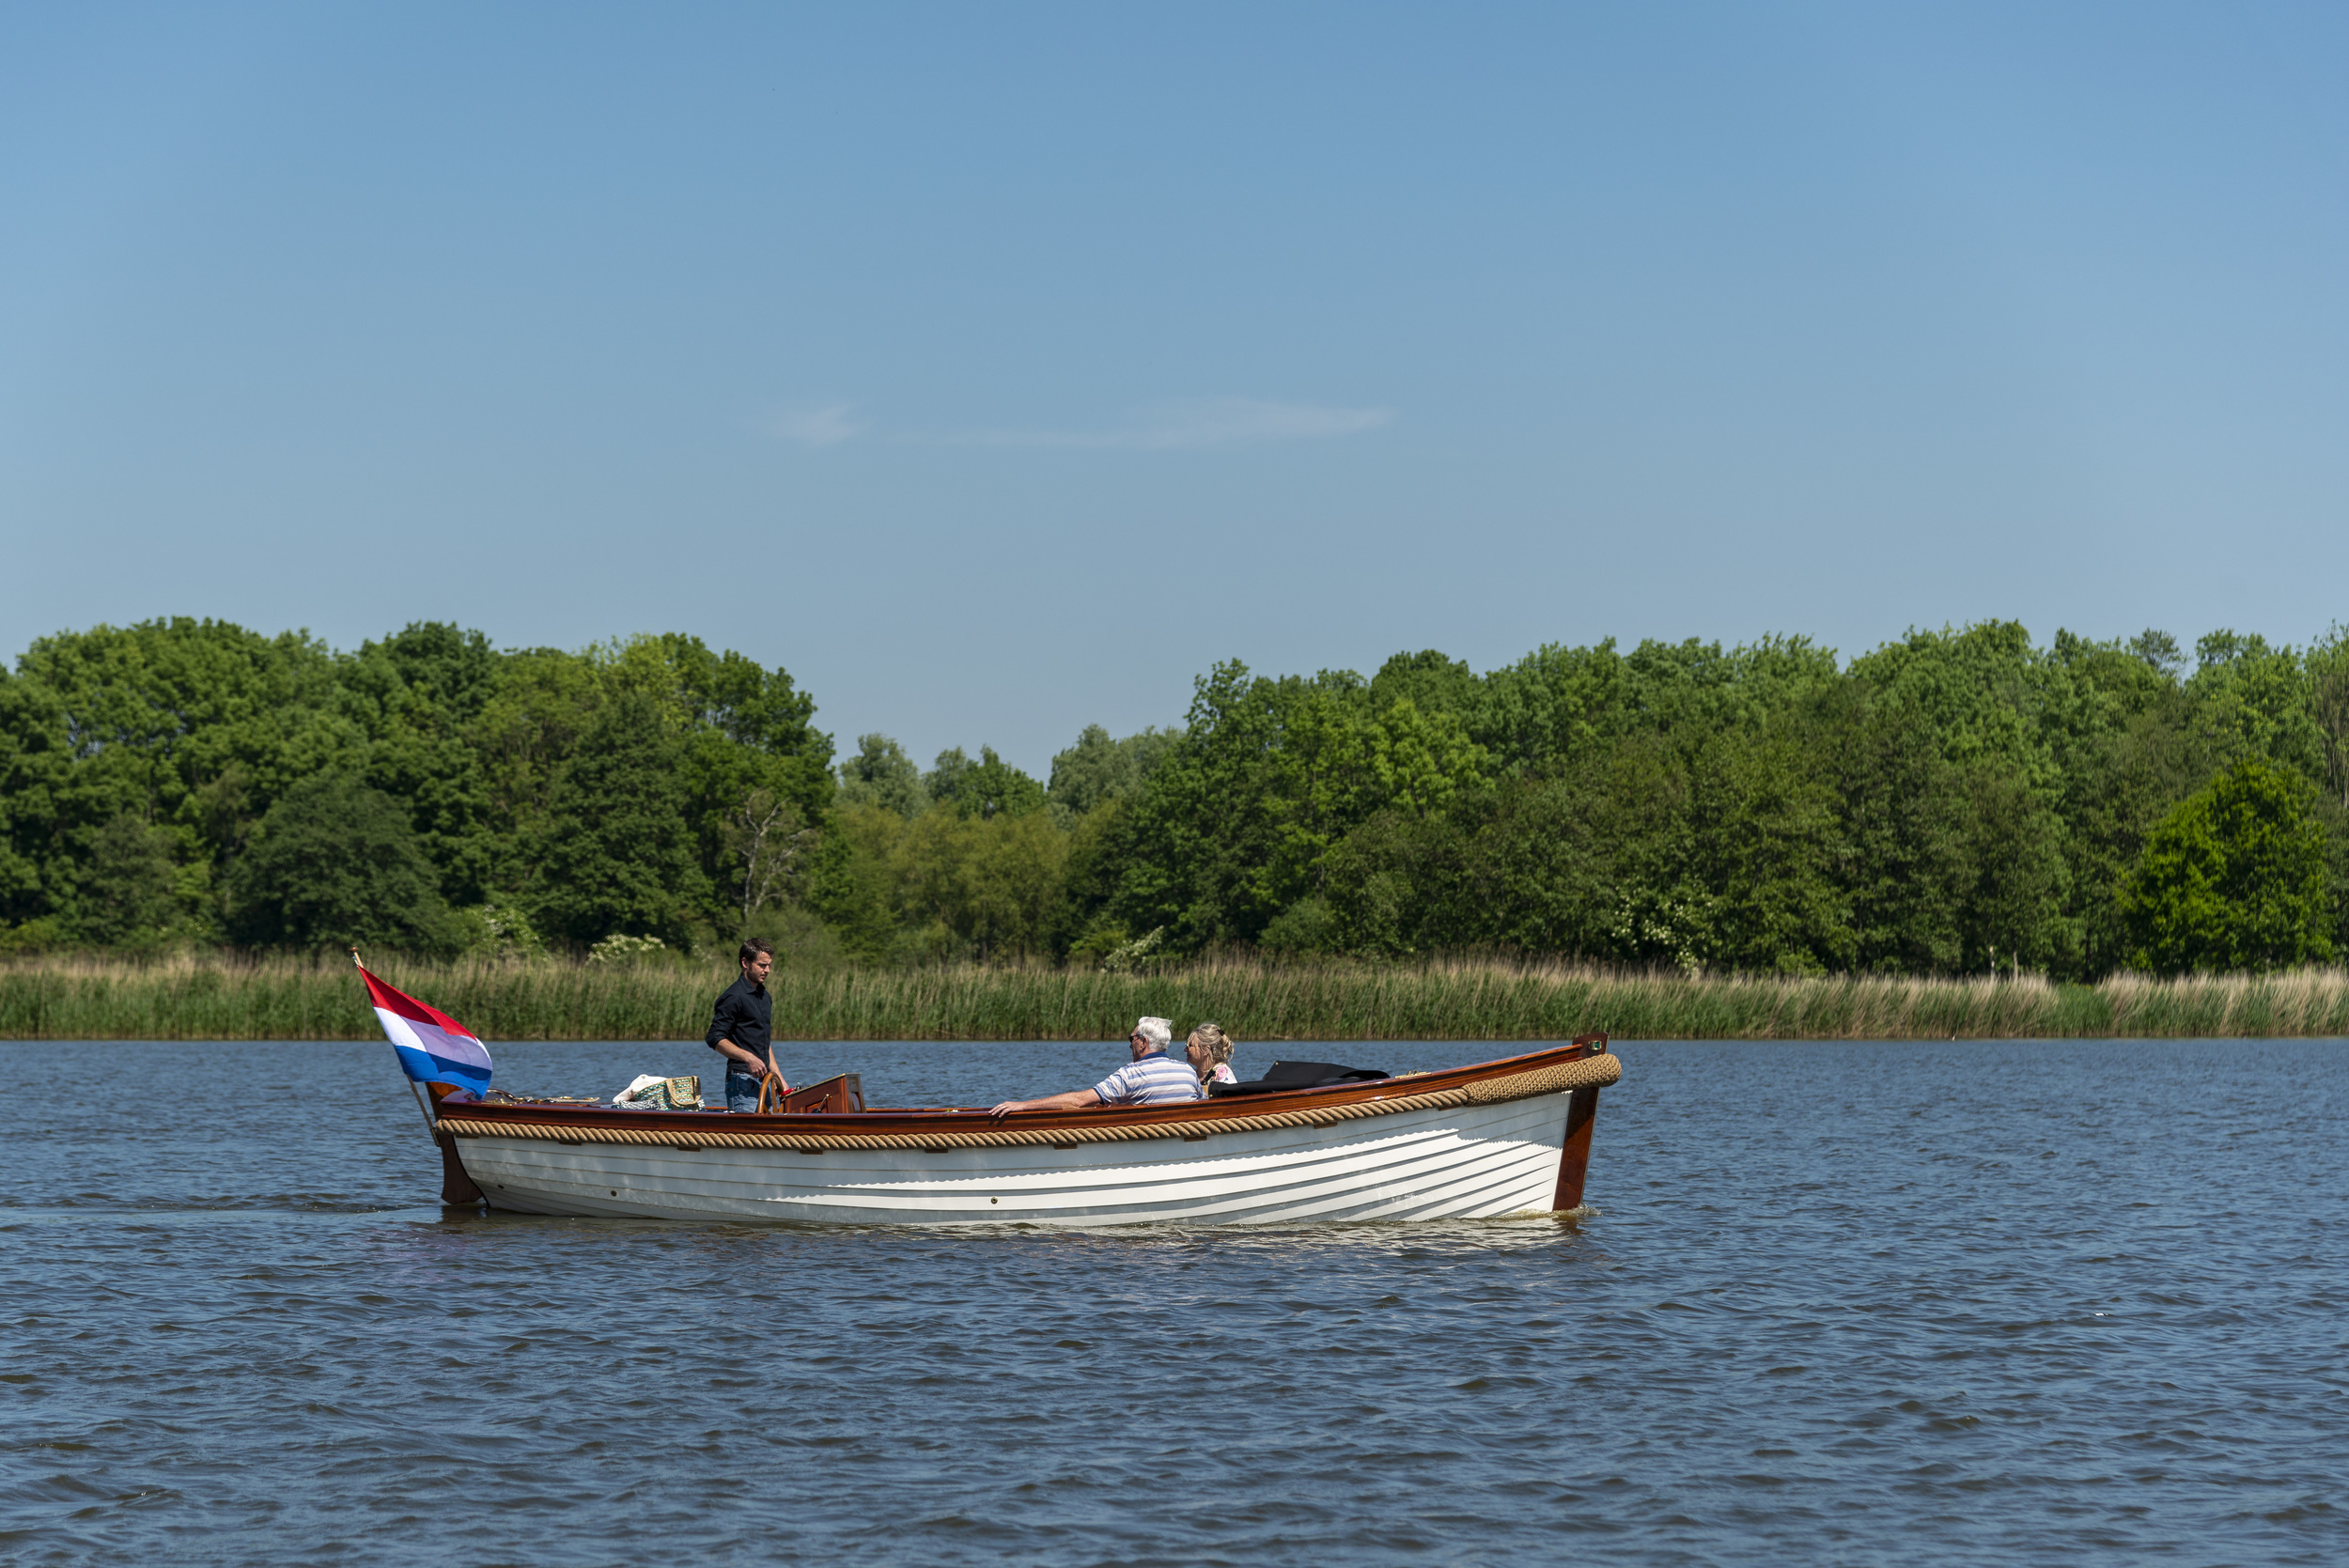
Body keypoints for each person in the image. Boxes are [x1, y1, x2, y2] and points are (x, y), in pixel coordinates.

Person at [988, 1016, 1199, 1117]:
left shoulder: (1131, 1075)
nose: (1129, 1044)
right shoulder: (1188, 1073)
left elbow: (1080, 1101)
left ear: (1143, 1042)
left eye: (1132, 1038)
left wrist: (1023, 1105)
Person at [708, 939, 789, 1112]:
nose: (767, 970)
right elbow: (714, 1038)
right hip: (741, 1082)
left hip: (766, 1080)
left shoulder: (764, 996)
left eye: (769, 965)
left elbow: (763, 1043)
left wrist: (779, 1080)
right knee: (751, 1138)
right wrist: (748, 1057)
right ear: (745, 962)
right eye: (762, 965)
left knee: (767, 1138)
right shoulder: (733, 996)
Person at [1186, 1022, 1237, 1088]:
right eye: (1186, 1045)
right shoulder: (1193, 1075)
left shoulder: (1223, 1075)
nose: (1185, 1049)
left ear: (1205, 1050)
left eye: (1190, 1046)